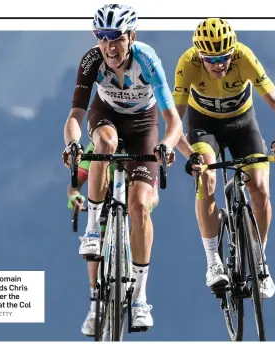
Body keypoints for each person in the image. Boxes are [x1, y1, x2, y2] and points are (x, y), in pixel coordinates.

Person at [62, 4, 182, 330]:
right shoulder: (91, 61)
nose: (109, 46)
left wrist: (167, 147)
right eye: (102, 38)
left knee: (140, 206)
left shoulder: (147, 60)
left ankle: (140, 299)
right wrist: (72, 145)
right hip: (106, 116)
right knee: (104, 143)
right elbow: (74, 116)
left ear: (131, 36)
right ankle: (91, 230)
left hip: (144, 126)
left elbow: (173, 122)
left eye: (116, 38)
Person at [173, 18, 275, 298]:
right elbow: (173, 125)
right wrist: (189, 155)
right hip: (203, 127)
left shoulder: (244, 57)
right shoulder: (187, 64)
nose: (219, 64)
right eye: (211, 59)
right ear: (199, 56)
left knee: (260, 189)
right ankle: (213, 261)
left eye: (224, 57)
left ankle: (259, 260)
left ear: (233, 51)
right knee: (207, 178)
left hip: (242, 125)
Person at [67, 141, 160, 336]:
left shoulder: (143, 147)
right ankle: (94, 307)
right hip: (104, 200)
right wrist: (75, 197)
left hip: (131, 200)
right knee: (95, 250)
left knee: (139, 230)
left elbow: (154, 194)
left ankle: (136, 292)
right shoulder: (95, 148)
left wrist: (146, 205)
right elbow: (75, 186)